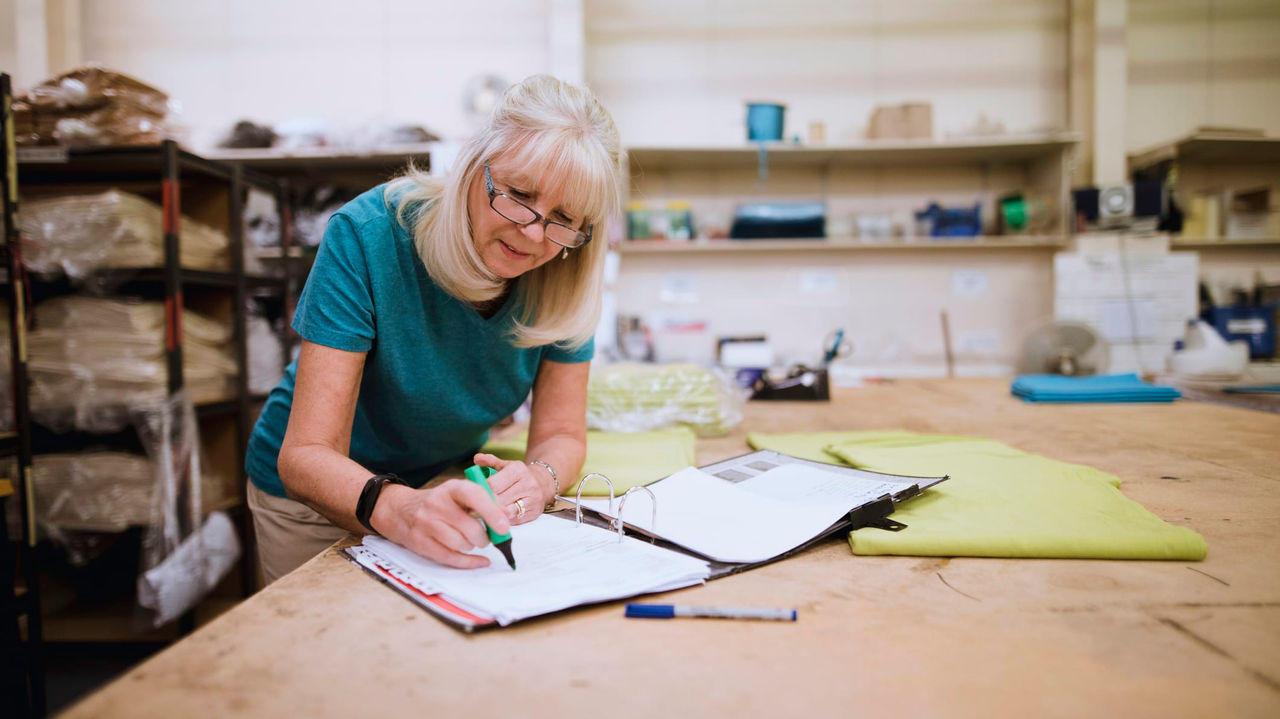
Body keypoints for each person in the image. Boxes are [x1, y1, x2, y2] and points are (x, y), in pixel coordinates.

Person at [244, 75, 622, 585]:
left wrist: (539, 480)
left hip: (438, 482)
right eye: (518, 194)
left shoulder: (565, 271)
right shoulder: (371, 234)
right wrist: (400, 510)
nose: (533, 234)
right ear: (472, 165)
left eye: (563, 218)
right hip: (313, 499)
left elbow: (559, 432)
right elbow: (306, 456)